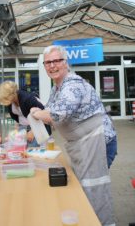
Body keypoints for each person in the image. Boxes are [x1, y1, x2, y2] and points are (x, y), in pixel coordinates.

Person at [30, 45, 115, 226]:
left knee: (94, 188)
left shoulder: (72, 85)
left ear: (65, 62)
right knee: (84, 187)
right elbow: (50, 113)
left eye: (57, 61)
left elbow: (57, 115)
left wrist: (38, 114)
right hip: (82, 144)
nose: (52, 66)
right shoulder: (57, 88)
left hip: (98, 142)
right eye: (48, 63)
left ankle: (101, 223)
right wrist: (40, 112)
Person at [0, 81, 51, 147]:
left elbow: (45, 115)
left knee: (33, 150)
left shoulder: (28, 99)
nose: (6, 101)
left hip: (38, 127)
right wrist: (15, 132)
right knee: (20, 149)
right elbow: (17, 117)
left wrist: (33, 132)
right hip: (23, 128)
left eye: (6, 98)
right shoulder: (10, 102)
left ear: (12, 94)